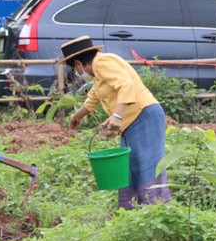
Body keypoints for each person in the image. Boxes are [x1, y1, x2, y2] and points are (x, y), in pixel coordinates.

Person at [63, 36, 171, 208]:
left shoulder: (103, 63)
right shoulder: (99, 73)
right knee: (130, 167)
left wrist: (117, 115)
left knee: (145, 165)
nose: (77, 73)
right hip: (132, 122)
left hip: (144, 115)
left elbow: (126, 85)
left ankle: (156, 208)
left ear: (78, 64)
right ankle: (134, 211)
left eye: (75, 69)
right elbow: (93, 98)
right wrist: (76, 116)